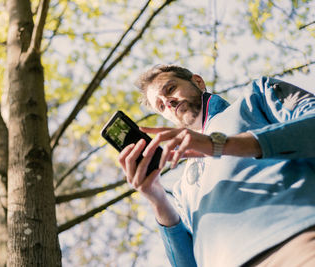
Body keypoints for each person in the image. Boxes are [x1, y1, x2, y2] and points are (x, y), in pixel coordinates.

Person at [118, 64, 315, 267]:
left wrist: (219, 144)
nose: (168, 102)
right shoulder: (181, 188)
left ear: (198, 82)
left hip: (293, 242)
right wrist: (156, 198)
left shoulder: (255, 97)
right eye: (160, 106)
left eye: (170, 89)